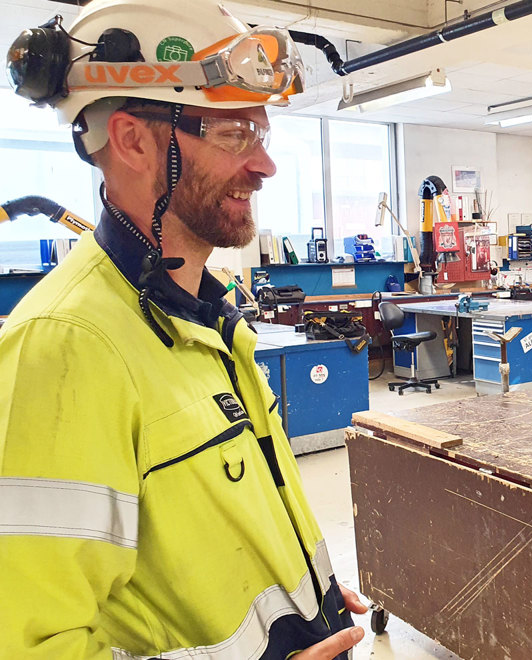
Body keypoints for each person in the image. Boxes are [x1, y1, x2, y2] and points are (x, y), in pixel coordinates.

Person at [0, 1, 368, 658]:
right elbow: (26, 643)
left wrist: (310, 596)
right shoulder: (66, 347)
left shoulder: (206, 314)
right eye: (234, 136)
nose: (264, 166)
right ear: (133, 141)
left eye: (261, 135)